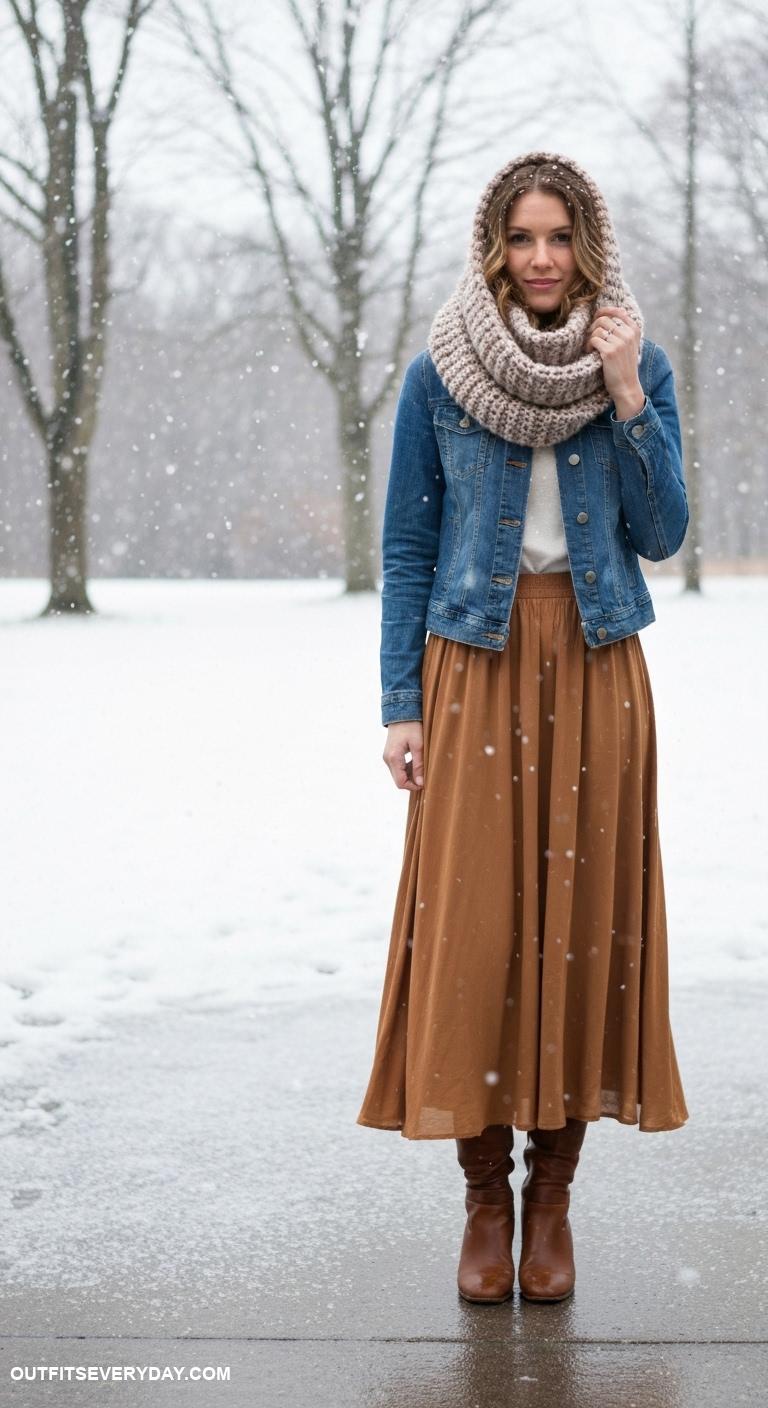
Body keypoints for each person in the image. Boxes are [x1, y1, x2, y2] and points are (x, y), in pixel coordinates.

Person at [356, 151, 690, 1306]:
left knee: (580, 926)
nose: (541, 259)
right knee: (482, 930)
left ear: (585, 245)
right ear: (492, 247)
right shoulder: (438, 376)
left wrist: (630, 395)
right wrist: (399, 699)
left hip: (597, 665)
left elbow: (663, 532)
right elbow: (406, 547)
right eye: (522, 238)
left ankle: (553, 1198)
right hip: (475, 668)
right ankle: (484, 1198)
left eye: (559, 238)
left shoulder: (631, 364)